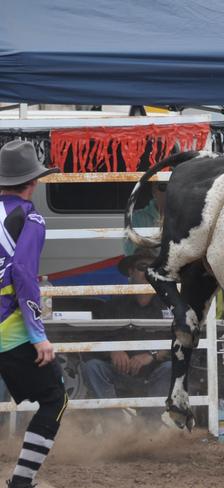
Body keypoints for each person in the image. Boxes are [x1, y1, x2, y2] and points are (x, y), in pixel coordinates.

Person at [0, 140, 67, 488]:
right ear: (34, 181)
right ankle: (22, 482)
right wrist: (38, 335)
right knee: (55, 398)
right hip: (7, 328)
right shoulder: (31, 217)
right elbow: (23, 274)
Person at [81, 247, 171, 424]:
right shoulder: (113, 305)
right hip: (118, 373)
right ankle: (115, 427)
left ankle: (149, 425)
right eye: (142, 267)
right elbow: (95, 340)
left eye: (153, 268)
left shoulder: (169, 304)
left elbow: (180, 342)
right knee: (92, 367)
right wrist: (113, 351)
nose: (147, 273)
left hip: (154, 373)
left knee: (170, 368)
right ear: (131, 271)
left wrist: (151, 355)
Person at [123, 181, 166, 256]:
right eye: (163, 187)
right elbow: (131, 253)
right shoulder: (137, 219)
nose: (169, 191)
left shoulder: (186, 217)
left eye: (174, 186)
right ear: (154, 191)